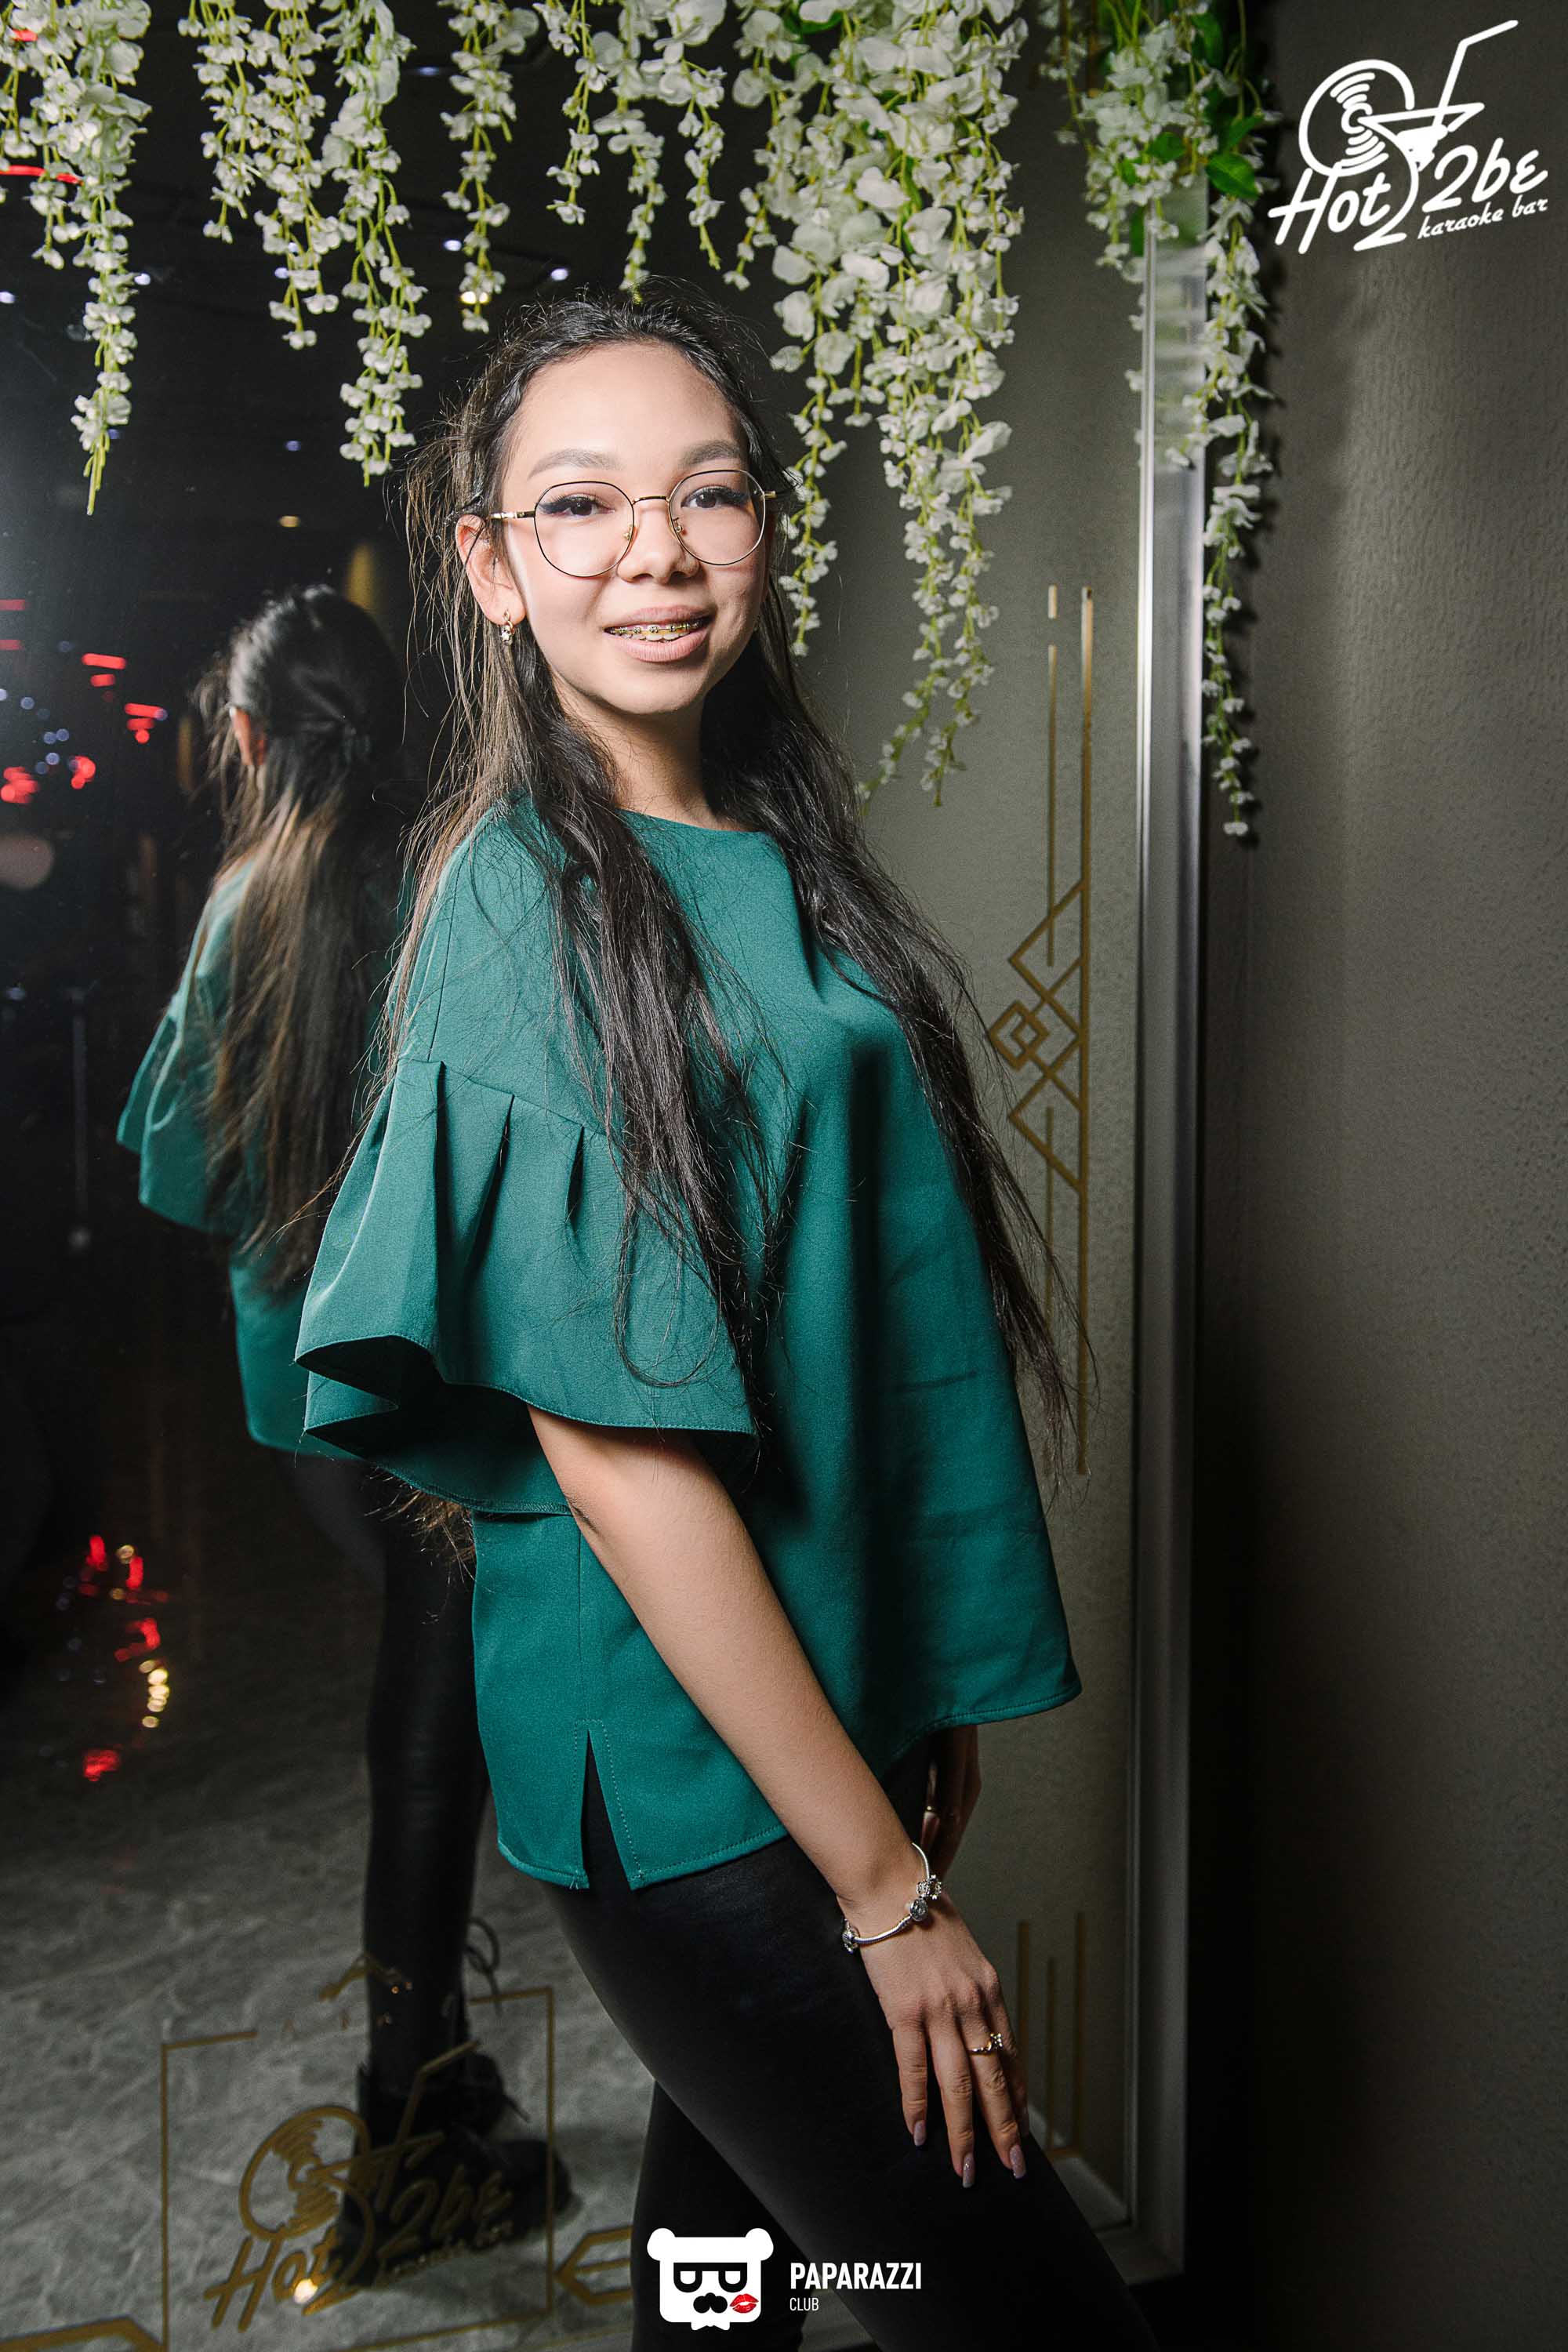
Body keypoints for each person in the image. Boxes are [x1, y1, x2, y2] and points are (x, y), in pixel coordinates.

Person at [294, 285, 1159, 2349]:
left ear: (766, 524)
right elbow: (615, 1457)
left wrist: (909, 1705)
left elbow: (866, 1319)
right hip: (698, 1788)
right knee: (1023, 2314)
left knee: (732, 2280)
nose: (657, 556)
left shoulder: (763, 843)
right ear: (490, 566)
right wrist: (882, 1888)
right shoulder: (518, 896)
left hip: (821, 1716)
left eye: (708, 495)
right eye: (580, 507)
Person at [115, 584, 565, 2284]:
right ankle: (408, 2123)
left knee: (430, 1720)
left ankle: (424, 2084)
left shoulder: (246, 903)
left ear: (243, 739)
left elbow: (176, 1167)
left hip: (312, 1407)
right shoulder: (465, 883)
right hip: (457, 1387)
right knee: (432, 1737)